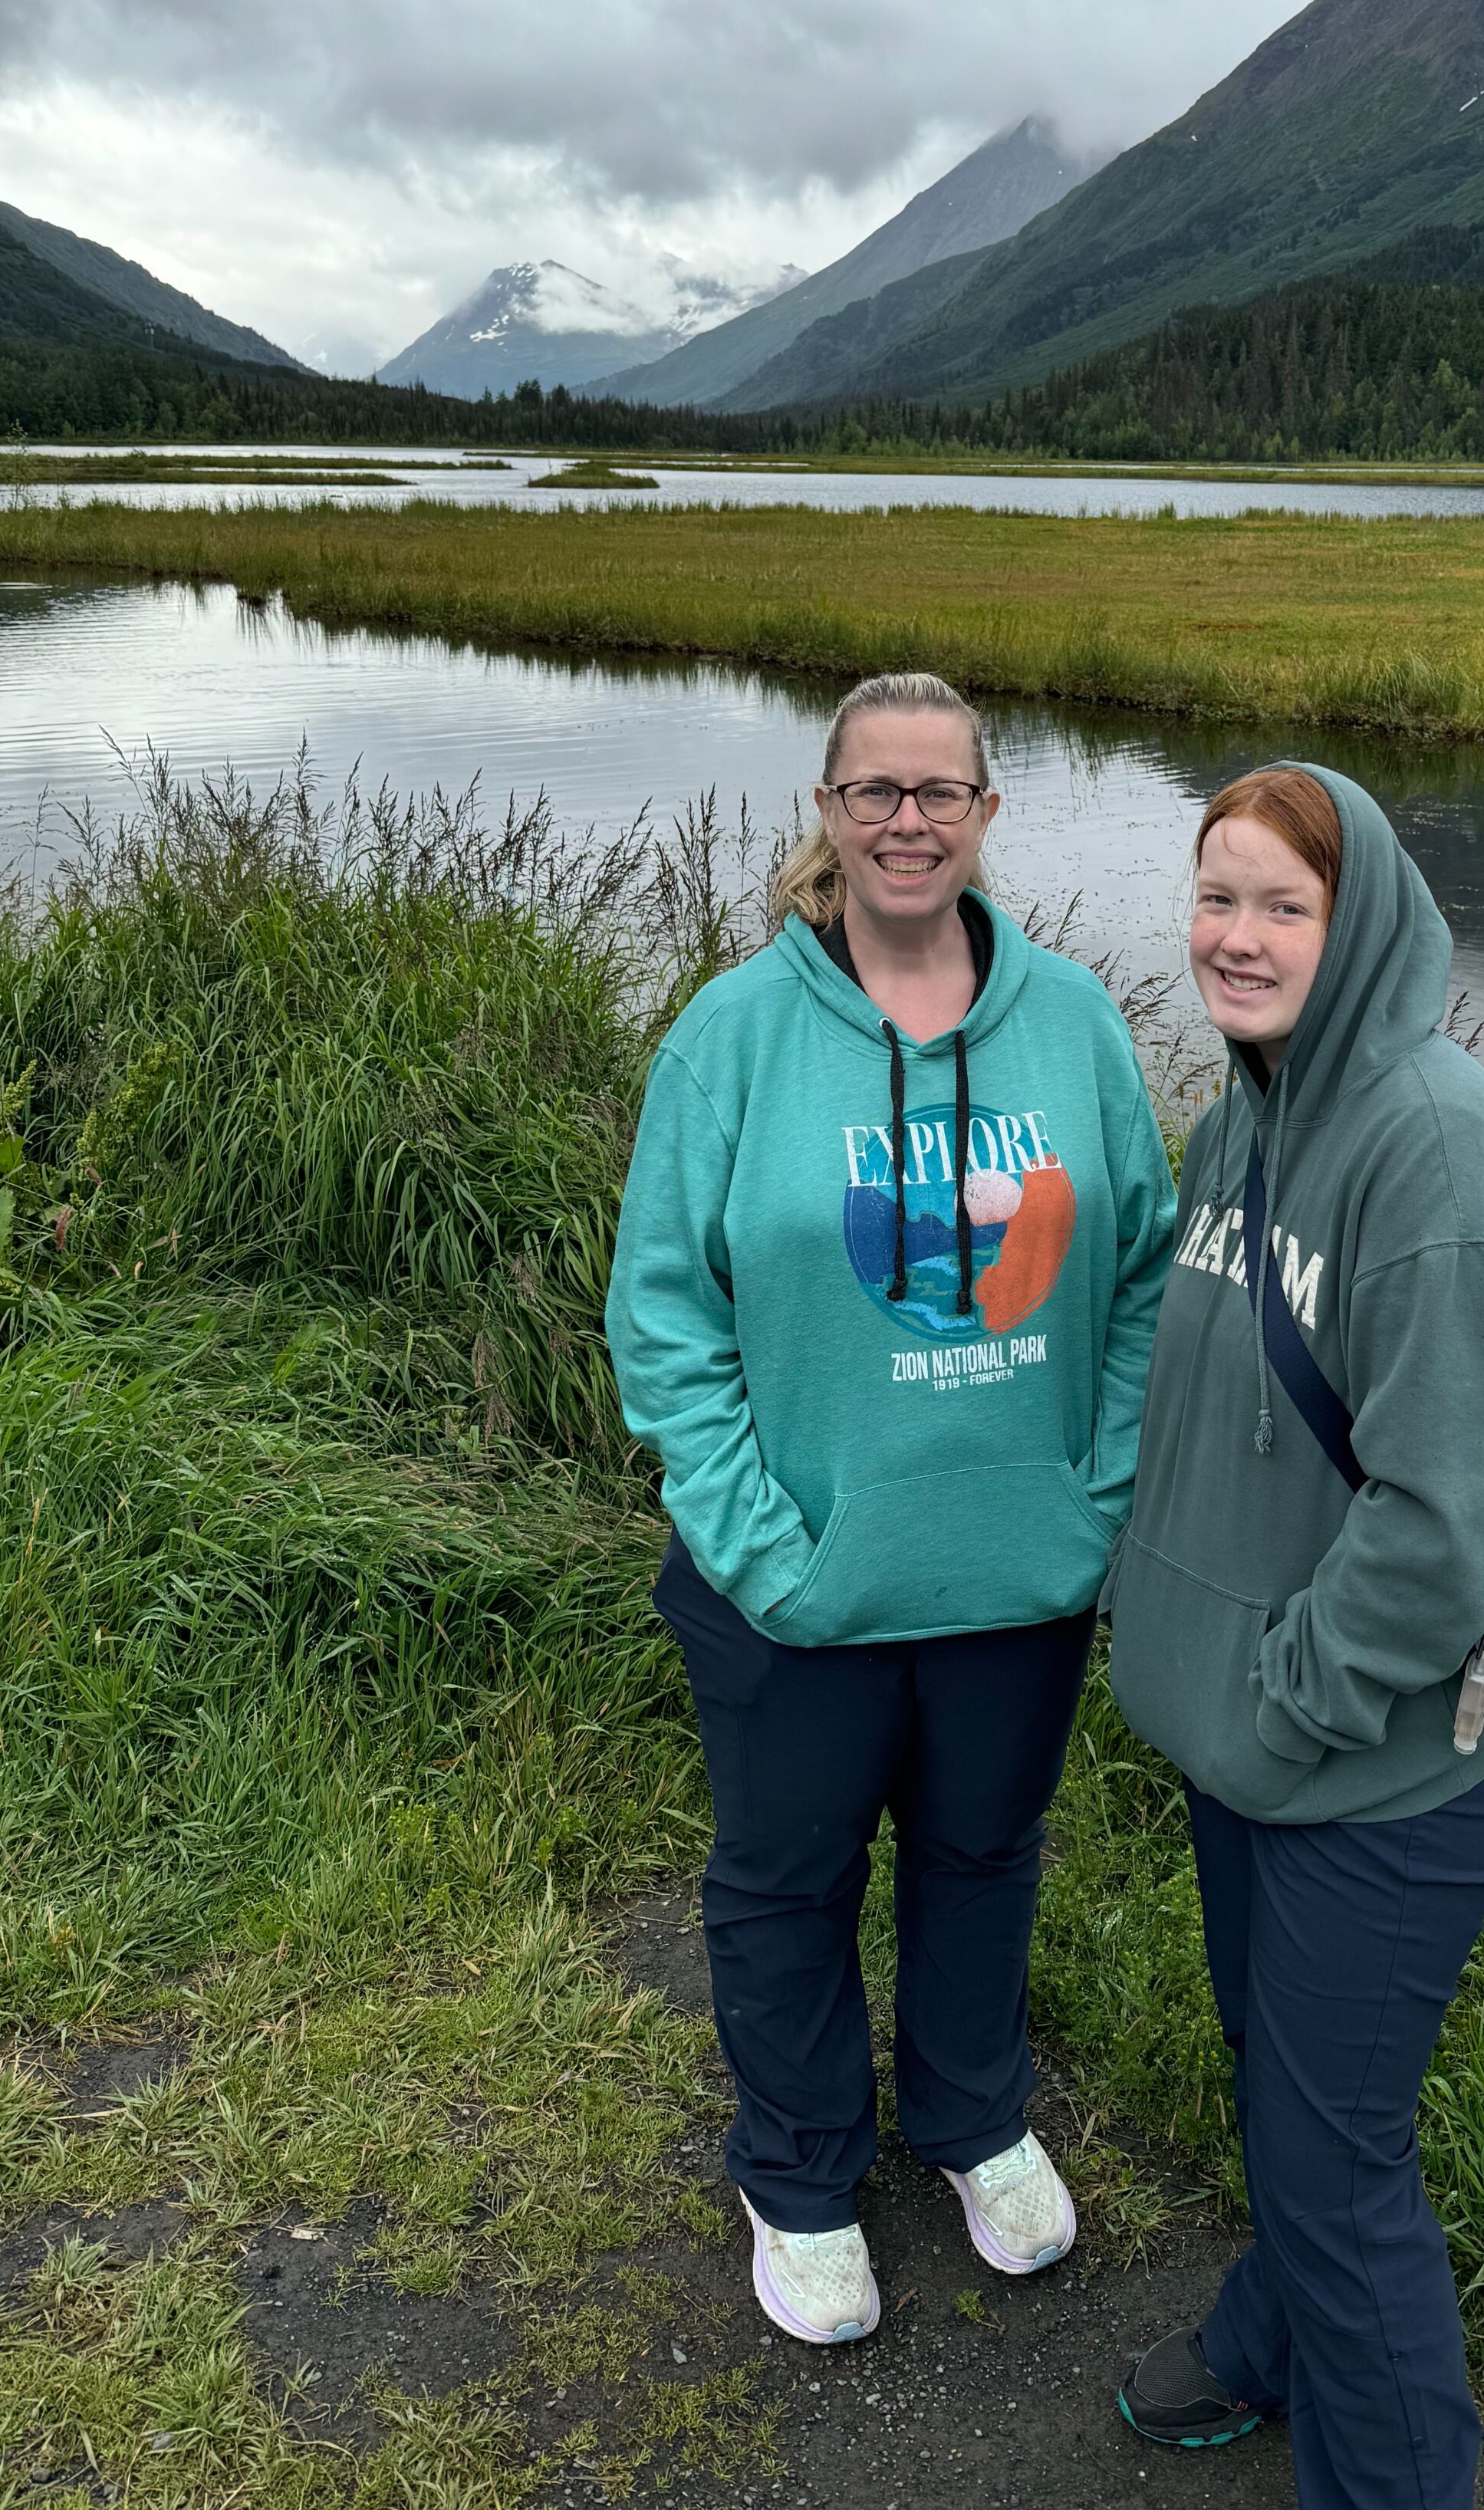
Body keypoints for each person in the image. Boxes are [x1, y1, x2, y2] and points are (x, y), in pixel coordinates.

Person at [606, 670, 1176, 2348]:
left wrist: (1101, 1493)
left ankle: (972, 2115)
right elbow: (664, 1310)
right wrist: (751, 1535)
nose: (909, 819)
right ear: (830, 813)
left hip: (1020, 1571)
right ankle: (797, 2170)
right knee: (785, 1882)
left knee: (983, 1854)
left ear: (990, 814)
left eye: (941, 791)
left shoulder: (1073, 1021)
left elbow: (1139, 1273)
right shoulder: (731, 1035)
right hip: (797, 1584)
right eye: (877, 791)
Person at [1107, 762, 1484, 2510]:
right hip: (1258, 1737)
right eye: (1216, 898)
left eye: (1279, 905)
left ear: (1355, 918)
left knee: (1337, 2160)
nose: (1236, 936)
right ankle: (1269, 2336)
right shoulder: (1248, 1113)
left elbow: (1451, 1521)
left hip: (1375, 1764)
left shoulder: (1434, 1150)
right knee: (1278, 2082)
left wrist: (1285, 1693)